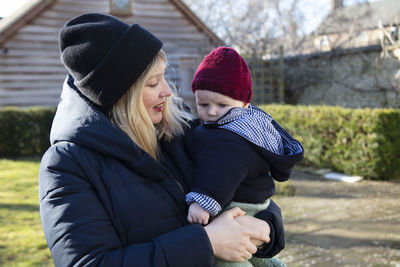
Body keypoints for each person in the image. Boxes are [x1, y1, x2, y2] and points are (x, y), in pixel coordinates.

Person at [38, 13, 285, 267]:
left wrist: (265, 227)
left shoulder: (182, 129)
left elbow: (249, 184)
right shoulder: (67, 166)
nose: (167, 91)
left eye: (164, 77)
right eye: (154, 82)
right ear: (121, 95)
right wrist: (207, 243)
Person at [182, 47, 304, 266]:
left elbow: (221, 170)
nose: (211, 112)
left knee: (228, 258)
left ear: (244, 104)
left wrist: (203, 202)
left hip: (234, 204)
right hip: (257, 204)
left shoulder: (227, 137)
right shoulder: (250, 127)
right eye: (203, 104)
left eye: (222, 104)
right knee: (254, 254)